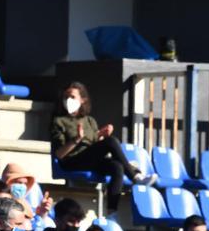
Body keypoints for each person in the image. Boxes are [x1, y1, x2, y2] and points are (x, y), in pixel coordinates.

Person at [52, 82, 153, 212]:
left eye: (72, 97)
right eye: (66, 97)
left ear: (83, 100)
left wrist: (101, 135)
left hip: (89, 160)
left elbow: (93, 145)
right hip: (71, 160)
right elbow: (59, 154)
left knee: (117, 167)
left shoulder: (89, 120)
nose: (68, 100)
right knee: (111, 142)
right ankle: (135, 176)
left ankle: (112, 211)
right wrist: (76, 140)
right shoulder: (59, 121)